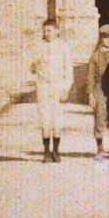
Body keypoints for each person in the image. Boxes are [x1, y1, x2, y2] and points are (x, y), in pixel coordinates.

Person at [30, 18, 73, 162]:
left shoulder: (63, 47)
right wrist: (34, 66)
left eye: (49, 30)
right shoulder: (38, 46)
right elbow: (32, 66)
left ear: (56, 31)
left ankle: (56, 151)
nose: (46, 33)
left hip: (57, 85)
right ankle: (46, 152)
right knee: (44, 118)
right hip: (43, 85)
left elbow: (68, 70)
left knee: (57, 119)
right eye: (44, 31)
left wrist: (66, 89)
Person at [86, 21, 109, 158]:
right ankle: (100, 148)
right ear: (100, 38)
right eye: (105, 37)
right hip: (100, 87)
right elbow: (90, 76)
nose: (108, 40)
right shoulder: (95, 56)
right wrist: (90, 94)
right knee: (100, 116)